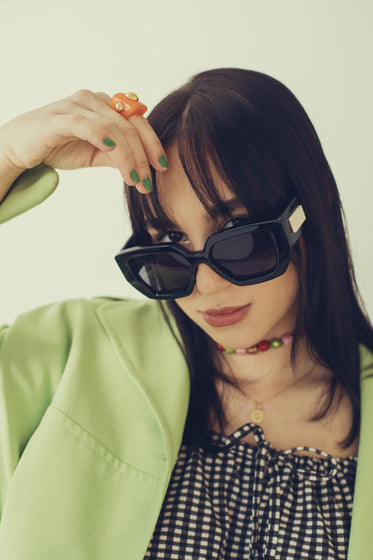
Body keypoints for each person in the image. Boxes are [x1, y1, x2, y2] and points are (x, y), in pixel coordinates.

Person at [0, 68, 372, 560]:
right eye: (170, 247)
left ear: (311, 211)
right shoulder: (69, 353)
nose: (207, 285)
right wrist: (5, 157)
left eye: (240, 238)